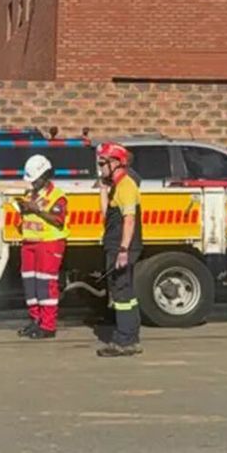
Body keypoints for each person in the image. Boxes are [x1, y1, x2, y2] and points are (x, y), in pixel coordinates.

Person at [96, 143, 143, 357]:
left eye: (102, 163)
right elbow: (107, 215)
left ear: (115, 163)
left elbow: (129, 220)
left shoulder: (126, 186)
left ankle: (124, 341)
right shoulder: (116, 186)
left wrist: (123, 250)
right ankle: (130, 337)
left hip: (122, 247)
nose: (100, 168)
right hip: (115, 245)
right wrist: (103, 190)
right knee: (124, 293)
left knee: (122, 293)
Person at [17, 154, 69, 340]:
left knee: (45, 285)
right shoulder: (30, 194)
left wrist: (36, 210)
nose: (33, 184)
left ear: (45, 176)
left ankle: (48, 326)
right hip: (29, 243)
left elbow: (58, 220)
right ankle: (35, 321)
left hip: (49, 243)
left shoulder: (57, 196)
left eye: (36, 180)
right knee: (30, 284)